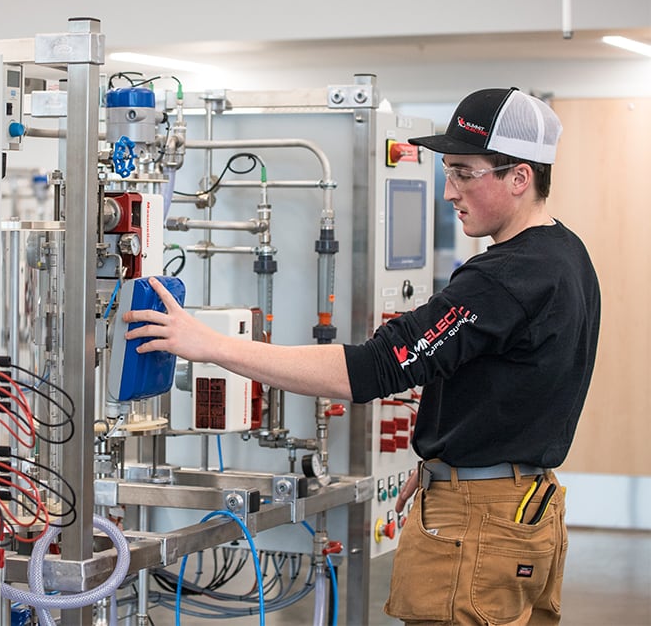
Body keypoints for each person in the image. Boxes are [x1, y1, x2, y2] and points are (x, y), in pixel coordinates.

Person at [124, 87, 600, 625]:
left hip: (482, 523)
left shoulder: (503, 278)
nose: (449, 192)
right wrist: (455, 462)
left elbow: (370, 370)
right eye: (447, 171)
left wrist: (210, 345)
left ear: (520, 177)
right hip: (523, 506)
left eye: (465, 173)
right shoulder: (566, 253)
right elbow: (523, 386)